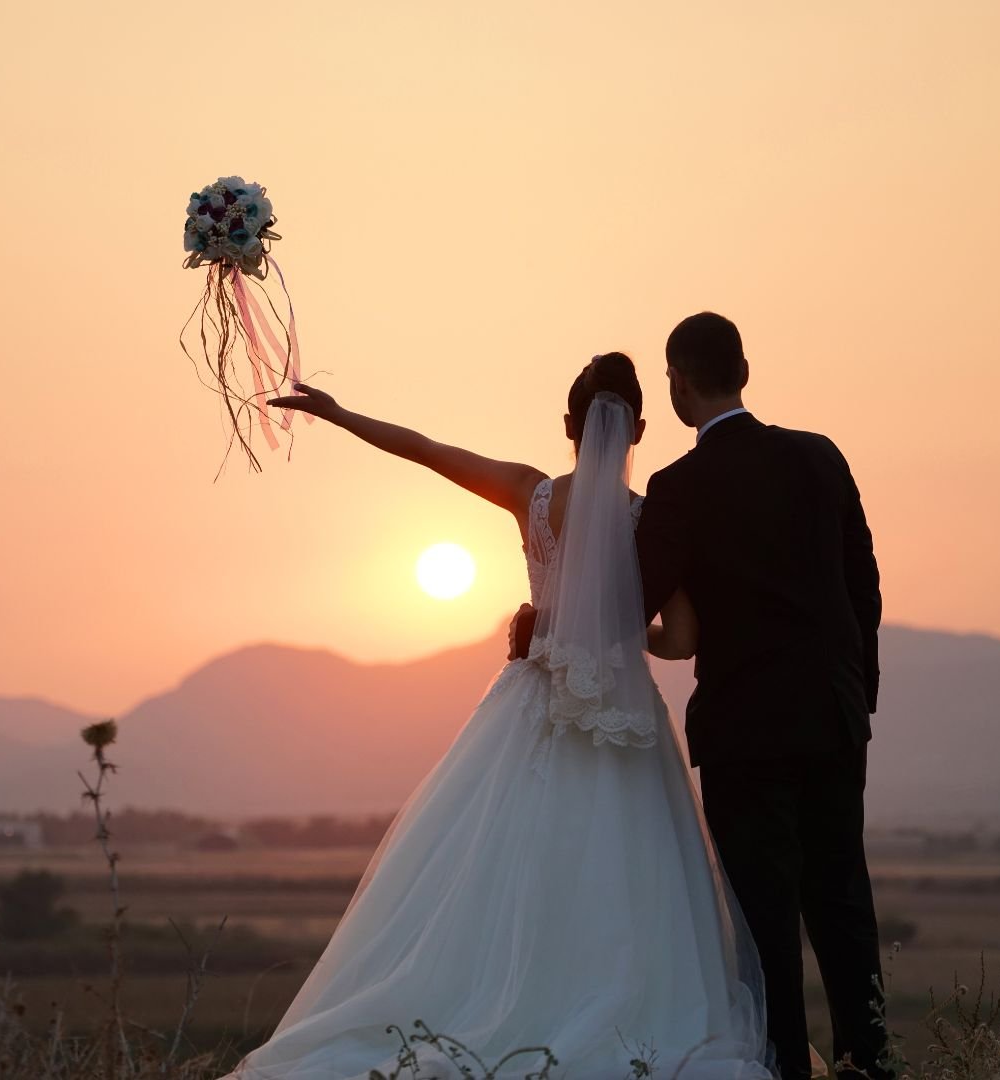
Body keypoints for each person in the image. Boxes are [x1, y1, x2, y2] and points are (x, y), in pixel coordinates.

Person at [228, 353, 774, 1080]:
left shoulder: (532, 495)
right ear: (639, 427)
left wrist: (338, 413)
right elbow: (681, 640)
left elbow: (426, 450)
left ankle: (496, 1015)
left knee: (502, 870)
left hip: (533, 706)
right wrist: (614, 630)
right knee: (623, 883)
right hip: (623, 720)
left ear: (568, 426)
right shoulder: (652, 519)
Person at [513, 314, 887, 1080]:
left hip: (744, 733)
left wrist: (545, 617)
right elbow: (864, 585)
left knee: (764, 917)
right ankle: (872, 1059)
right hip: (833, 718)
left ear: (679, 386)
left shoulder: (680, 487)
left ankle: (784, 1065)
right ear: (744, 367)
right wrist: (859, 696)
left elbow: (629, 600)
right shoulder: (821, 457)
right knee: (844, 897)